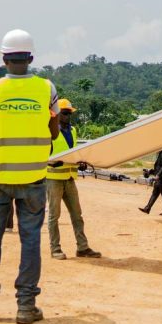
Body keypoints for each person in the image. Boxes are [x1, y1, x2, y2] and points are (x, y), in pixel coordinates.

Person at [0, 28, 59, 324]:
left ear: (4, 59)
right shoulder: (46, 88)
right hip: (33, 175)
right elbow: (55, 131)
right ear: (31, 58)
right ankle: (25, 306)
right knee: (30, 239)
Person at [46, 98, 101, 260]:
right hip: (53, 178)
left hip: (70, 177)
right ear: (56, 114)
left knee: (77, 215)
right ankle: (55, 249)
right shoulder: (49, 131)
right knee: (54, 216)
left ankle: (82, 247)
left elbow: (74, 153)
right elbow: (41, 154)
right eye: (65, 113)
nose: (68, 116)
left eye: (70, 113)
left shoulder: (74, 131)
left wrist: (80, 164)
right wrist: (51, 162)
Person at [139, 149, 162, 215]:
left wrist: (158, 175)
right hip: (159, 178)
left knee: (161, 194)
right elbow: (159, 168)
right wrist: (150, 172)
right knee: (157, 193)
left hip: (161, 178)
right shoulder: (160, 154)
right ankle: (148, 208)